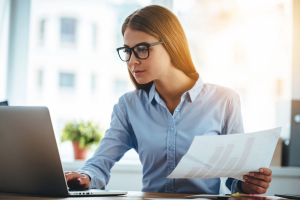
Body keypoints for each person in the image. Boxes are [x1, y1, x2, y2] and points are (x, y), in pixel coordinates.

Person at [65, 5, 272, 194]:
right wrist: (86, 176)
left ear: (171, 43)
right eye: (127, 51)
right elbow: (100, 162)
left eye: (142, 49)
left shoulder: (224, 100)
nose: (132, 61)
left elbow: (235, 176)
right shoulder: (128, 106)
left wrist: (249, 184)